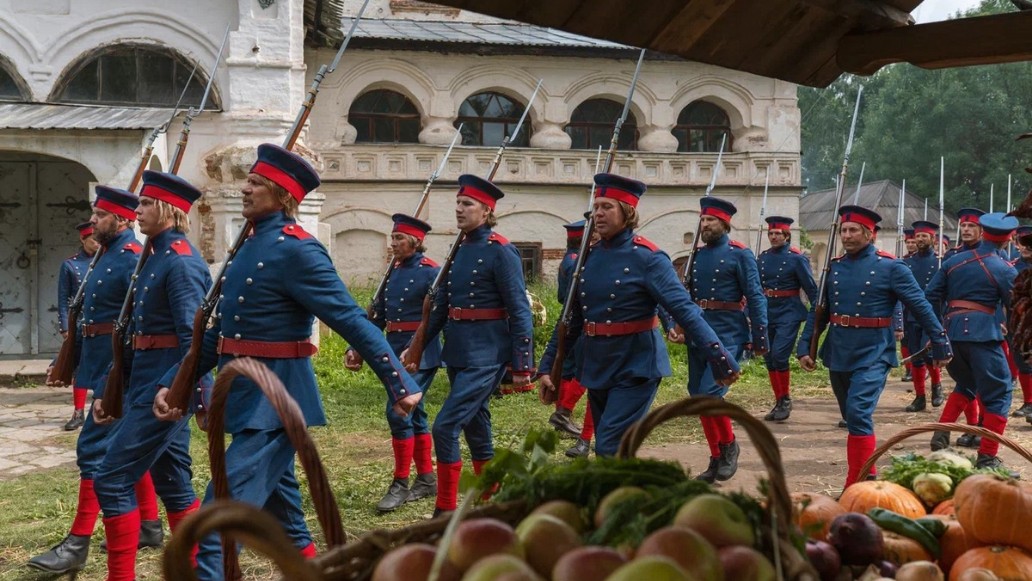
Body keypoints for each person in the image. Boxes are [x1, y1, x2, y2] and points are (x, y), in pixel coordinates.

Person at [153, 143, 423, 579]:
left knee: (217, 523)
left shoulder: (299, 250)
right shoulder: (249, 246)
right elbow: (221, 338)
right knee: (292, 528)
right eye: (248, 180)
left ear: (283, 196)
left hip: (275, 403)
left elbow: (351, 319)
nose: (245, 188)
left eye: (256, 183)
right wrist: (173, 381)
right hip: (244, 398)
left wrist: (400, 383)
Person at [538, 174, 740, 470]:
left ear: (627, 212)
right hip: (597, 364)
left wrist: (720, 356)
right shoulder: (587, 258)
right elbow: (571, 319)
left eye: (607, 207)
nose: (598, 214)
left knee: (610, 444)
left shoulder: (649, 258)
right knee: (614, 448)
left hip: (636, 365)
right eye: (596, 207)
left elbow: (685, 310)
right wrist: (547, 368)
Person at [28, 187, 162, 575]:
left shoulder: (134, 259)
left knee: (94, 451)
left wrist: (119, 378)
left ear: (121, 220)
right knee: (123, 453)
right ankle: (150, 525)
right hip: (101, 361)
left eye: (101, 215)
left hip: (118, 370)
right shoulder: (104, 255)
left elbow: (137, 324)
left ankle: (78, 541)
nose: (93, 222)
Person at [90, 171, 212, 580]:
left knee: (110, 478)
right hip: (145, 381)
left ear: (167, 209)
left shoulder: (179, 261)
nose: (136, 210)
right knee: (173, 481)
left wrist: (194, 395)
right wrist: (112, 388)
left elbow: (196, 340)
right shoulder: (154, 255)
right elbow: (131, 337)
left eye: (144, 204)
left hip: (164, 389)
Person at [401, 174, 534, 516]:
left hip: (487, 355)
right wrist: (416, 345)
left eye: (467, 204)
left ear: (487, 210)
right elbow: (441, 307)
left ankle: (445, 509)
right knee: (477, 428)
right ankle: (491, 504)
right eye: (458, 203)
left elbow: (519, 309)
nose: (459, 209)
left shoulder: (501, 251)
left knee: (444, 426)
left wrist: (521, 365)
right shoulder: (458, 248)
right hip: (458, 352)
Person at [797, 205, 951, 488]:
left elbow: (920, 306)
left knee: (858, 413)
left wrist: (940, 341)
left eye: (854, 230)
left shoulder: (891, 267)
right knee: (850, 416)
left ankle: (855, 483)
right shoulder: (834, 267)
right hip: (839, 349)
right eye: (844, 230)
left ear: (869, 234)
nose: (847, 235)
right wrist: (806, 345)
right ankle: (869, 474)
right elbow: (818, 312)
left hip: (874, 352)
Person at [345, 213, 441, 513]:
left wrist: (415, 348)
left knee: (399, 411)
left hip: (420, 353)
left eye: (399, 238)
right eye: (392, 237)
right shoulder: (392, 272)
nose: (393, 243)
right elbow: (379, 316)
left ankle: (400, 483)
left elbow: (437, 317)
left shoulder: (432, 272)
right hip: (392, 349)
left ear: (416, 241)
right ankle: (426, 478)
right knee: (416, 414)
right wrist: (356, 347)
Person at [672, 197, 766, 482]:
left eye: (710, 220)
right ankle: (715, 458)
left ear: (725, 223)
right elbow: (685, 298)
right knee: (698, 396)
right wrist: (679, 326)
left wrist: (760, 338)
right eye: (702, 220)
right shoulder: (696, 257)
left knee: (711, 393)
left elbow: (755, 295)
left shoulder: (740, 254)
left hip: (729, 333)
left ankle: (729, 446)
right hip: (699, 332)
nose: (705, 225)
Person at [927, 213, 1018, 470]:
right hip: (983, 336)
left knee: (966, 384)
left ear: (984, 233)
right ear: (1008, 239)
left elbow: (929, 296)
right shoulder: (1003, 268)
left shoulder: (953, 262)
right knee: (1000, 395)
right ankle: (987, 458)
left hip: (951, 334)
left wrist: (937, 330)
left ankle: (940, 435)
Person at [756, 216, 816, 422]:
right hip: (767, 311)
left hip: (789, 312)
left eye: (778, 233)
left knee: (780, 355)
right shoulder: (762, 258)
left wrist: (817, 312)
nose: (773, 237)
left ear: (787, 235)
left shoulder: (796, 258)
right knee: (769, 357)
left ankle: (786, 400)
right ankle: (779, 400)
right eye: (771, 233)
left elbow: (810, 288)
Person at [546, 220, 597, 458]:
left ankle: (565, 413)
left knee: (575, 372)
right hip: (581, 324)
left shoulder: (572, 261)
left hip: (580, 322)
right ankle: (565, 413)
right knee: (579, 374)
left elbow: (558, 296)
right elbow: (567, 298)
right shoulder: (575, 263)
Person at [55, 221, 100, 431]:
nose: (97, 243)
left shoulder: (107, 261)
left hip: (102, 323)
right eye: (93, 239)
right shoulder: (70, 265)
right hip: (79, 324)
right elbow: (63, 299)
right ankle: (78, 412)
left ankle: (101, 408)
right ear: (83, 239)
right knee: (79, 370)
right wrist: (65, 328)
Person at [901, 220, 945, 412]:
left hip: (933, 314)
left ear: (932, 239)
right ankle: (919, 397)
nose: (919, 239)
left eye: (923, 236)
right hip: (911, 315)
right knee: (915, 357)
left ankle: (936, 386)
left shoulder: (939, 263)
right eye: (917, 236)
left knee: (929, 355)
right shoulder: (906, 263)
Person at [1010, 225, 1032, 418]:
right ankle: (1028, 403)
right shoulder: (1012, 266)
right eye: (1021, 243)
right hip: (1018, 323)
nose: (1025, 247)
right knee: (1023, 363)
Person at [899, 228, 916, 383]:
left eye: (913, 242)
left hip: (919, 307)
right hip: (905, 307)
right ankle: (908, 368)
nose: (910, 245)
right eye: (908, 242)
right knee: (905, 340)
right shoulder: (903, 262)